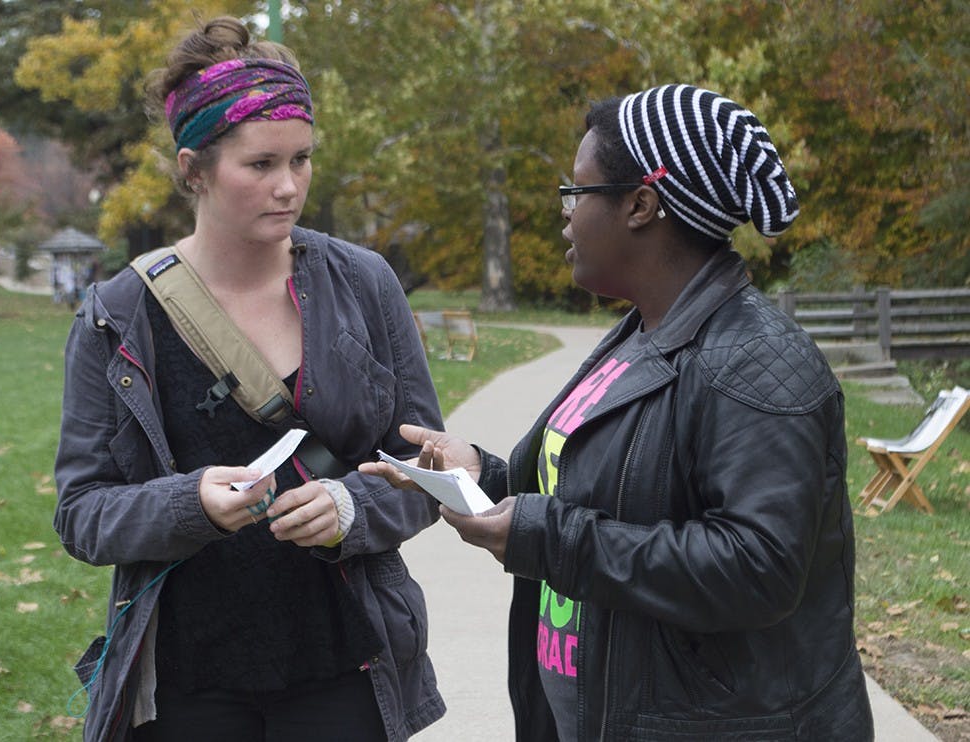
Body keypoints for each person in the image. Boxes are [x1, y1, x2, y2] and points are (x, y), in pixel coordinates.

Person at [362, 84, 874, 740]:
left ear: (640, 205)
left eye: (576, 193)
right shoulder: (640, 332)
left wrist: (546, 538)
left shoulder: (755, 362)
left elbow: (760, 568)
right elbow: (605, 492)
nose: (565, 216)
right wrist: (482, 477)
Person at [53, 16, 445, 742]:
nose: (289, 187)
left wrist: (350, 506)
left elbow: (425, 468)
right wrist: (186, 506)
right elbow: (81, 514)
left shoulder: (363, 284)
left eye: (302, 160)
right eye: (261, 165)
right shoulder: (117, 316)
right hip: (186, 681)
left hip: (346, 668)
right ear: (193, 168)